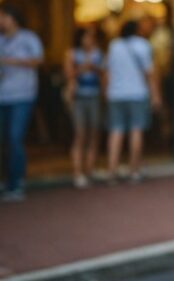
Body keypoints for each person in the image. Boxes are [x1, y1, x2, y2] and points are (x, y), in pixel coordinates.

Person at [105, 20, 160, 182]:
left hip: (115, 93)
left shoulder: (114, 46)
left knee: (116, 131)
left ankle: (111, 171)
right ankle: (134, 170)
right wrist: (156, 95)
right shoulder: (143, 45)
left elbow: (107, 71)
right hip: (137, 93)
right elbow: (149, 73)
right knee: (136, 130)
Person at [0, 6, 44, 202]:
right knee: (4, 140)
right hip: (3, 95)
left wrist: (10, 61)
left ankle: (16, 182)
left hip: (23, 95)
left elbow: (38, 60)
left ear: (13, 18)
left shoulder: (29, 38)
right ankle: (8, 179)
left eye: (3, 16)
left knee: (15, 138)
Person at [64, 26, 105, 188]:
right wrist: (82, 67)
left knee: (94, 134)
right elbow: (67, 75)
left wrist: (95, 68)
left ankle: (90, 169)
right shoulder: (72, 53)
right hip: (78, 98)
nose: (90, 40)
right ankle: (77, 172)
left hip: (94, 96)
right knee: (80, 134)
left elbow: (105, 74)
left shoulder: (98, 53)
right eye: (87, 37)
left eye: (92, 37)